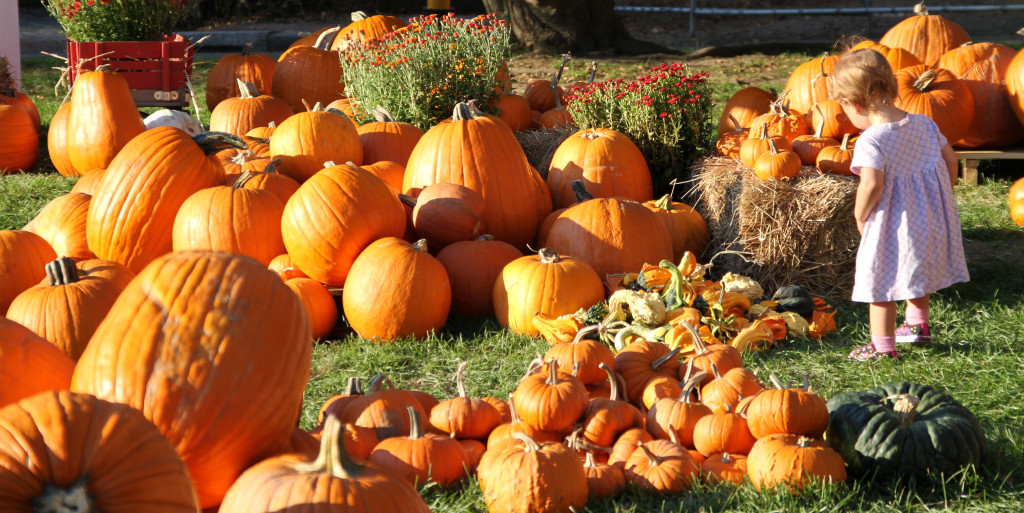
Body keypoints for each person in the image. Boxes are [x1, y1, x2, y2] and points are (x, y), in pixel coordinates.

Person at [830, 48, 969, 361]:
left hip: (892, 224)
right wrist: (942, 193)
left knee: (880, 284)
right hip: (929, 217)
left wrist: (860, 212)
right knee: (916, 271)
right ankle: (918, 327)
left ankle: (883, 349)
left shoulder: (872, 140)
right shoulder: (924, 124)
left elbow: (872, 183)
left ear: (853, 102)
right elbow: (950, 159)